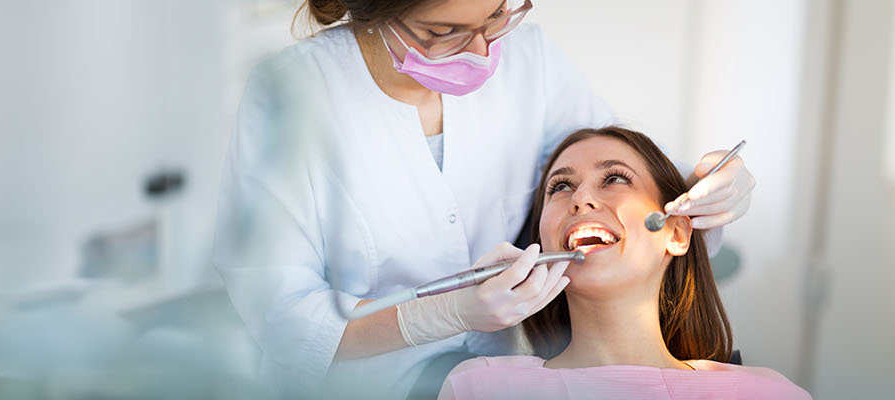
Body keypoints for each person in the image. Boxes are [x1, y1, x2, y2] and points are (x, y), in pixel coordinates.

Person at [213, 0, 758, 395]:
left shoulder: (530, 61)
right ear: (376, 12)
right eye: (445, 30)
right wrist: (438, 315)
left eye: (497, 15)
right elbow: (282, 314)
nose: (480, 50)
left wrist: (701, 181)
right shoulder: (293, 95)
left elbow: (616, 163)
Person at [439, 127, 809, 400]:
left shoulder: (770, 393)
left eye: (614, 178)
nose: (581, 198)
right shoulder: (480, 387)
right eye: (561, 187)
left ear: (677, 234)